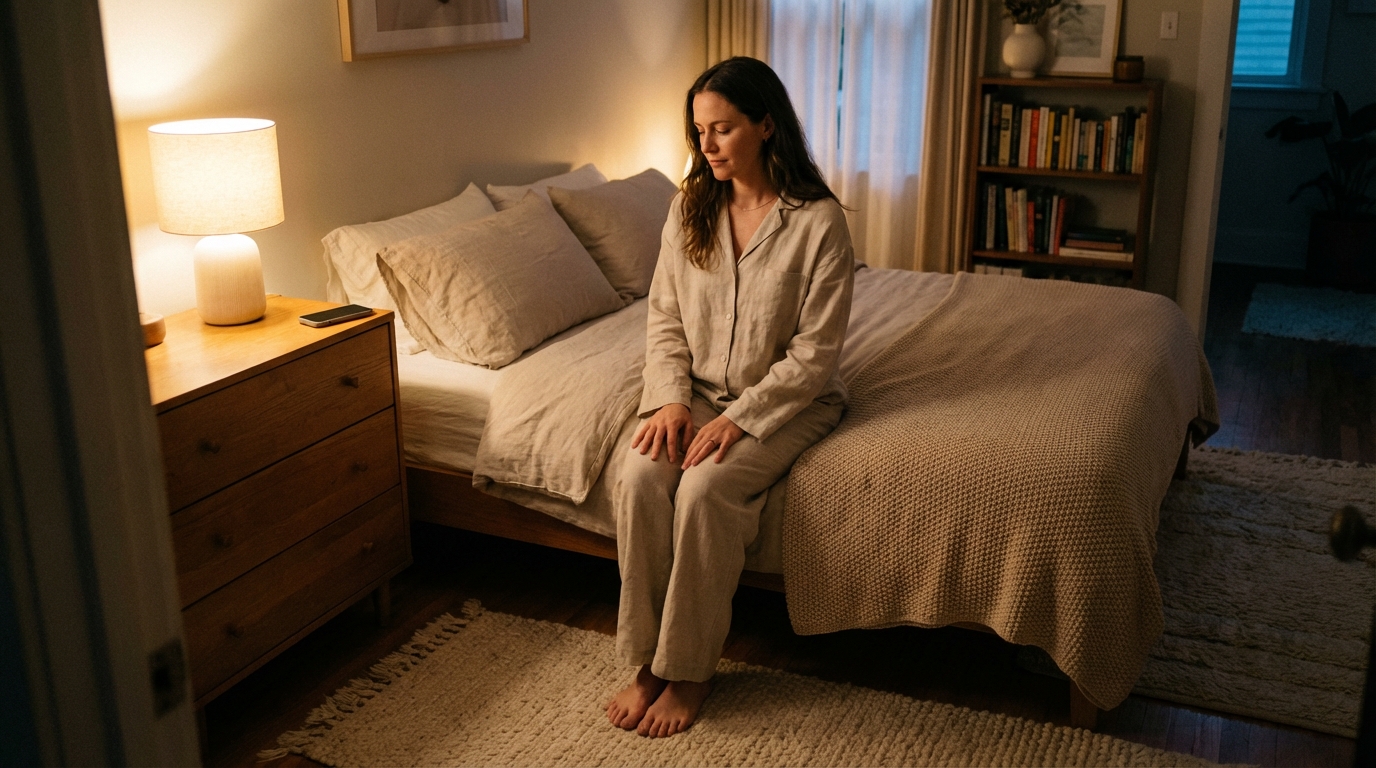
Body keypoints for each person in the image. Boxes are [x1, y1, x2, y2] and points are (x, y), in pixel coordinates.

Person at [605, 56, 855, 739]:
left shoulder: (817, 222)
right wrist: (671, 403)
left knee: (705, 491)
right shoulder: (689, 208)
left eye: (722, 129)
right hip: (695, 397)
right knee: (639, 476)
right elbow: (663, 317)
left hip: (790, 404)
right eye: (699, 132)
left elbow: (815, 356)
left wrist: (740, 422)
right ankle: (644, 663)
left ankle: (689, 672)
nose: (707, 146)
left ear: (766, 126)